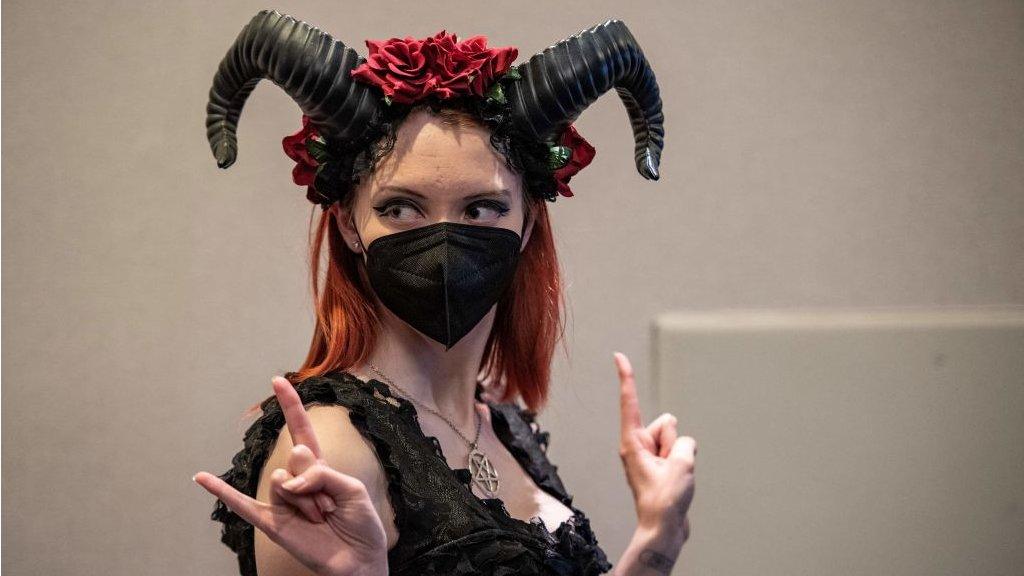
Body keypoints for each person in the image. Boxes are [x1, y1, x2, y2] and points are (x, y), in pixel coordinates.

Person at [192, 9, 695, 576]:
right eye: (400, 208)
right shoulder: (333, 449)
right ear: (350, 224)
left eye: (481, 208)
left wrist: (659, 535)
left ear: (527, 224)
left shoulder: (497, 424)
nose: (445, 241)